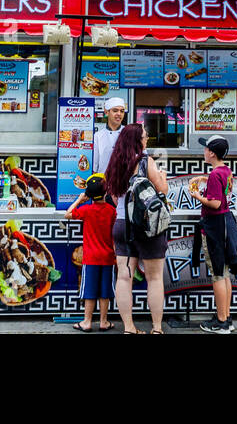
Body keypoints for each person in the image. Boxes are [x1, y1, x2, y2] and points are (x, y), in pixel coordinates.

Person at [104, 122, 168, 334]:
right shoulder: (145, 161)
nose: (147, 139)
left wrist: (125, 209)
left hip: (122, 223)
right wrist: (163, 177)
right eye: (144, 137)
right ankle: (157, 328)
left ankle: (129, 328)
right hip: (148, 226)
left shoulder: (115, 163)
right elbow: (163, 190)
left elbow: (112, 197)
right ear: (137, 141)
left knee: (124, 277)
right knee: (155, 278)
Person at [195, 135, 237, 334]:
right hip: (225, 224)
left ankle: (221, 322)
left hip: (214, 226)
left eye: (206, 149)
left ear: (211, 153)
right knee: (225, 273)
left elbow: (215, 203)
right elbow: (222, 195)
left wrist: (197, 196)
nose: (204, 151)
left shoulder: (215, 175)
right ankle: (226, 316)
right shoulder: (225, 171)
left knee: (217, 275)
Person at [65, 173, 116, 332]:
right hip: (108, 258)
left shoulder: (86, 210)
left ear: (89, 195)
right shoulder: (111, 211)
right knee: (105, 291)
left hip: (91, 258)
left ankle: (87, 322)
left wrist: (80, 200)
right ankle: (103, 321)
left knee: (90, 291)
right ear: (106, 193)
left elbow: (68, 214)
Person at [93, 96, 127, 174]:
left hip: (124, 182)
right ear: (106, 112)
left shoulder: (129, 133)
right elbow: (95, 165)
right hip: (104, 180)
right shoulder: (98, 136)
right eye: (115, 110)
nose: (119, 114)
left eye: (122, 111)